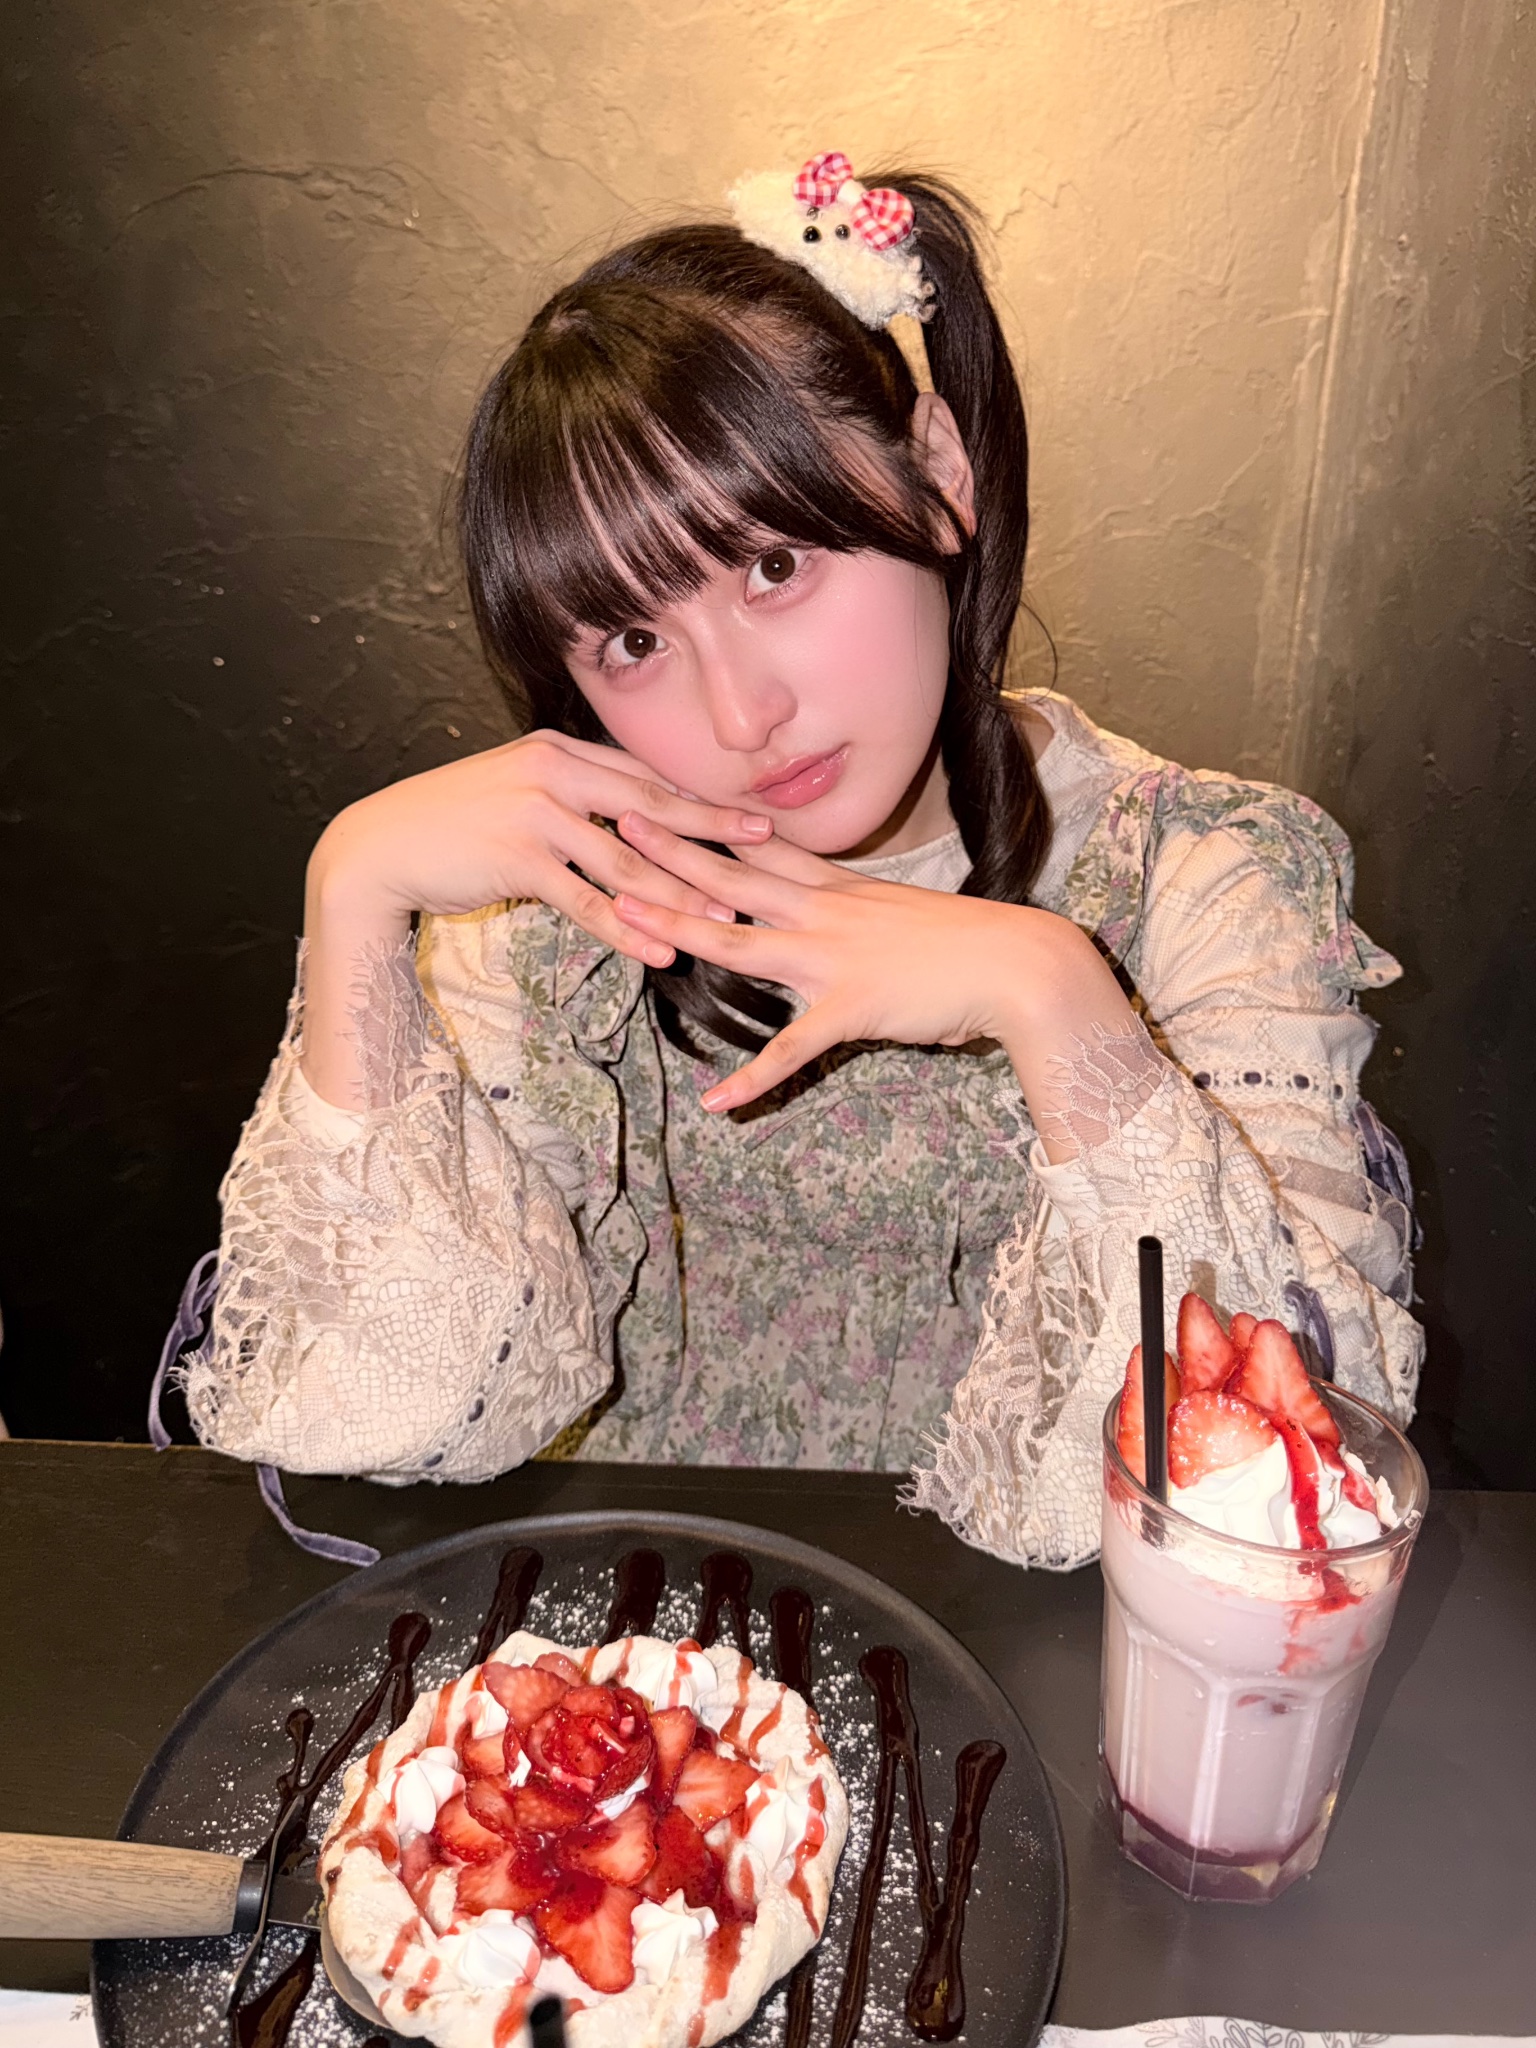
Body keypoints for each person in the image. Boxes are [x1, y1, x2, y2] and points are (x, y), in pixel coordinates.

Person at [173, 156, 1422, 1570]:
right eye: (633, 641)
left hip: (1039, 1651)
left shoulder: (1198, 877)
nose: (739, 716)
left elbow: (1299, 1485)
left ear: (937, 474)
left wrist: (1056, 999)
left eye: (774, 567)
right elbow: (384, 1414)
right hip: (628, 1629)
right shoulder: (548, 906)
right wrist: (351, 894)